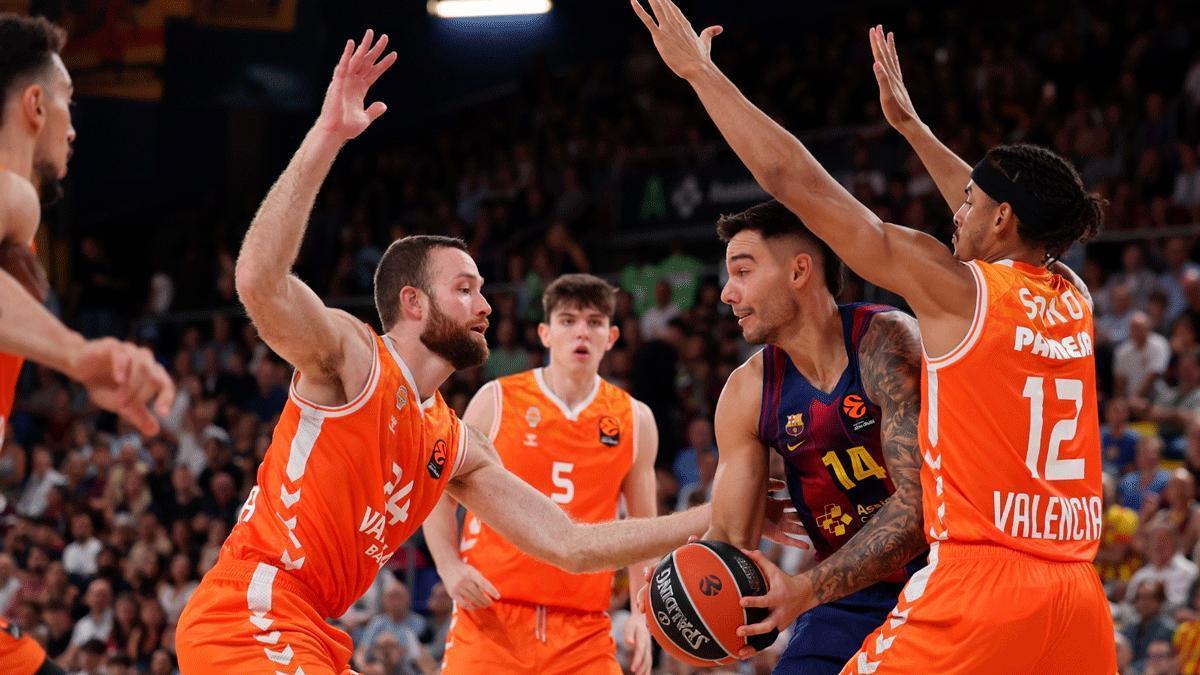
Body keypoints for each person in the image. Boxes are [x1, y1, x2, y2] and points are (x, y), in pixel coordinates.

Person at [175, 31, 710, 675]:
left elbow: (570, 545)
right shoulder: (353, 357)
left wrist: (712, 516)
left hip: (316, 628)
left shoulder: (452, 443)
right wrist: (326, 137)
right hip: (251, 610)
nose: (487, 304)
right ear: (414, 303)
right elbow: (258, 282)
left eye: (483, 288)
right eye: (465, 288)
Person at [632, 4, 1114, 670]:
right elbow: (1005, 225)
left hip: (982, 585)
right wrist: (911, 127)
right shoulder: (1071, 296)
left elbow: (793, 183)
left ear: (1001, 218)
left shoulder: (959, 292)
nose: (957, 209)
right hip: (1077, 596)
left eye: (970, 203)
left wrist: (697, 75)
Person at [685, 197, 926, 674]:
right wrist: (687, 578)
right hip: (846, 597)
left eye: (743, 271)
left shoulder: (886, 340)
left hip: (944, 574)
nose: (726, 293)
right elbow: (732, 537)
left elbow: (920, 509)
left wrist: (807, 588)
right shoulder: (746, 392)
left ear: (799, 271)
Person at [426, 274, 660, 675]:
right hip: (490, 615)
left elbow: (643, 527)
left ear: (612, 335)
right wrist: (449, 567)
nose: (581, 333)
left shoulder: (635, 419)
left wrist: (643, 612)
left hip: (584, 628)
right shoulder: (497, 399)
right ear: (545, 332)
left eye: (594, 322)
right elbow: (436, 493)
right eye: (568, 321)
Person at [0, 14, 174, 444]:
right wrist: (77, 354)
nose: (74, 130)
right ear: (36, 105)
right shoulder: (13, 195)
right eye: (69, 101)